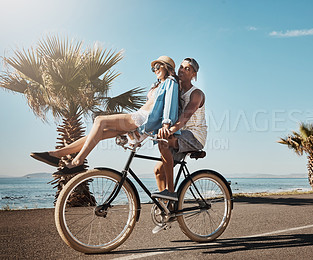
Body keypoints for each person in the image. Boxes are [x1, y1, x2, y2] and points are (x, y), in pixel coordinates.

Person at [31, 56, 180, 176]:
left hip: (142, 118)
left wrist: (166, 124)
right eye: (153, 68)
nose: (155, 70)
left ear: (167, 67)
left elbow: (169, 105)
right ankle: (56, 154)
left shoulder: (171, 83)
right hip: (139, 117)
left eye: (158, 66)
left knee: (100, 120)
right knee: (98, 134)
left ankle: (78, 161)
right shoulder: (157, 85)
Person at [151, 58, 206, 202]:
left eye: (187, 69)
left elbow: (185, 116)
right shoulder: (174, 89)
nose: (182, 70)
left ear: (194, 74)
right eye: (181, 67)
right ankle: (167, 207)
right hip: (179, 135)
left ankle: (171, 192)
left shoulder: (196, 94)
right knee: (158, 171)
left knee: (164, 141)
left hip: (194, 136)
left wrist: (169, 130)